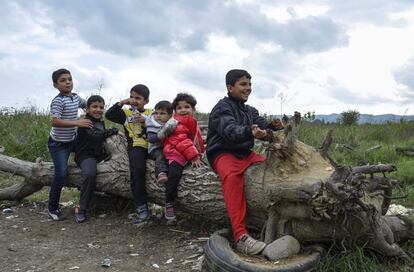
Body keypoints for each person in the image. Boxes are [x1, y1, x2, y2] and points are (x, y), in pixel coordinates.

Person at [206, 69, 283, 255]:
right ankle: (240, 236)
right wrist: (250, 132)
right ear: (230, 87)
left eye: (249, 84)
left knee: (273, 166)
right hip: (222, 153)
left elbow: (261, 126)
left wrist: (273, 127)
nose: (248, 88)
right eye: (243, 84)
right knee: (233, 178)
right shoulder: (221, 108)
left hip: (244, 153)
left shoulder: (250, 110)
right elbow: (230, 130)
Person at [47, 68, 93, 221]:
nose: (67, 82)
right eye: (63, 80)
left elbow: (88, 105)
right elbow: (55, 121)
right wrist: (77, 122)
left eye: (69, 79)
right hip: (58, 144)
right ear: (55, 85)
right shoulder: (58, 100)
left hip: (72, 140)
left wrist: (95, 108)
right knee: (61, 174)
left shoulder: (75, 97)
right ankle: (52, 207)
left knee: (90, 154)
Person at [105, 84, 152, 224]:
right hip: (136, 146)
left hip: (153, 145)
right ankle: (142, 207)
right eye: (131, 97)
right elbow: (109, 115)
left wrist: (147, 120)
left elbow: (163, 122)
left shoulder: (152, 112)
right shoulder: (126, 114)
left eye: (138, 98)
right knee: (137, 171)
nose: (134, 100)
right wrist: (122, 103)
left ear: (146, 101)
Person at [73, 95, 118, 223]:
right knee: (90, 173)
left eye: (101, 107)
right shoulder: (85, 122)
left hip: (98, 154)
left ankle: (108, 197)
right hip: (85, 155)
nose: (98, 110)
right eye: (94, 107)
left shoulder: (99, 121)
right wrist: (114, 130)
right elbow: (96, 135)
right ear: (87, 109)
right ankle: (81, 208)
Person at [162, 93, 205, 221]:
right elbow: (182, 141)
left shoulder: (192, 122)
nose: (183, 110)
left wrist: (201, 153)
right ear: (175, 111)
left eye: (187, 107)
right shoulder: (176, 123)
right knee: (174, 174)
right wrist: (194, 157)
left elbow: (197, 140)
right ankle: (169, 202)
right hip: (174, 152)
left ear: (194, 109)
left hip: (186, 152)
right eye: (179, 108)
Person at [145, 100, 175, 183]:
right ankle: (161, 173)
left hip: (169, 147)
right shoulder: (153, 124)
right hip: (155, 148)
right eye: (156, 113)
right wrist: (162, 134)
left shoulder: (172, 123)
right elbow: (151, 139)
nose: (158, 116)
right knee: (161, 155)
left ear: (170, 115)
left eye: (162, 113)